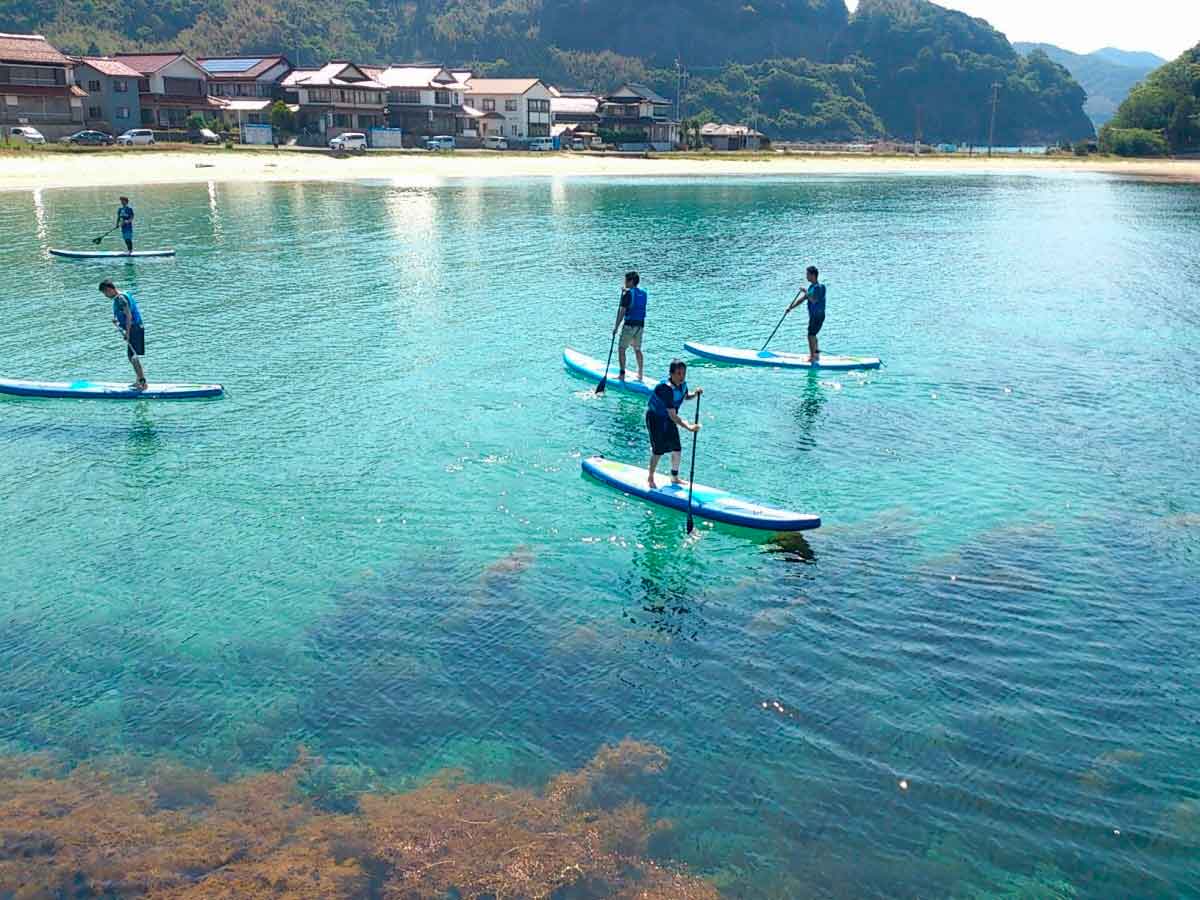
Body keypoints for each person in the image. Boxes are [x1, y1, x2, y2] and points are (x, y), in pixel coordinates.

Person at [645, 359, 702, 489]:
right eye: (678, 373)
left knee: (677, 448)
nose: (681, 376)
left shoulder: (683, 385)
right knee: (658, 450)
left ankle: (674, 477)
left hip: (669, 418)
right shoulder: (666, 389)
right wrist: (689, 427)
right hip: (655, 418)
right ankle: (650, 477)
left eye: (683, 373)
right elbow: (673, 415)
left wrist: (695, 394)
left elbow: (685, 396)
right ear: (671, 374)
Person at [100, 279, 146, 390]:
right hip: (135, 328)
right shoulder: (121, 296)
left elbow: (129, 316)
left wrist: (128, 333)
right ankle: (139, 380)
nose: (105, 296)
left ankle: (143, 383)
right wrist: (117, 321)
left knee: (133, 356)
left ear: (110, 289)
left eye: (105, 293)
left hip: (134, 329)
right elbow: (124, 314)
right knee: (132, 356)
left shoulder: (121, 299)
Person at [612, 271, 647, 382]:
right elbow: (636, 299)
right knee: (637, 349)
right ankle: (640, 374)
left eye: (626, 280)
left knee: (622, 349)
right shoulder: (644, 293)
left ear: (631, 281)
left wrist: (616, 327)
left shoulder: (627, 294)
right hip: (640, 326)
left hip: (629, 326)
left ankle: (622, 375)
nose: (625, 282)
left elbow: (622, 312)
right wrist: (626, 293)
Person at [787, 265, 826, 363]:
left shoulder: (819, 287)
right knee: (813, 334)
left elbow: (814, 300)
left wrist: (806, 292)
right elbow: (803, 299)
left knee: (811, 335)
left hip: (817, 315)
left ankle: (812, 357)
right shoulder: (811, 287)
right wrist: (790, 307)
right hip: (814, 315)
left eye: (807, 274)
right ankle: (816, 355)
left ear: (813, 275)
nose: (806, 276)